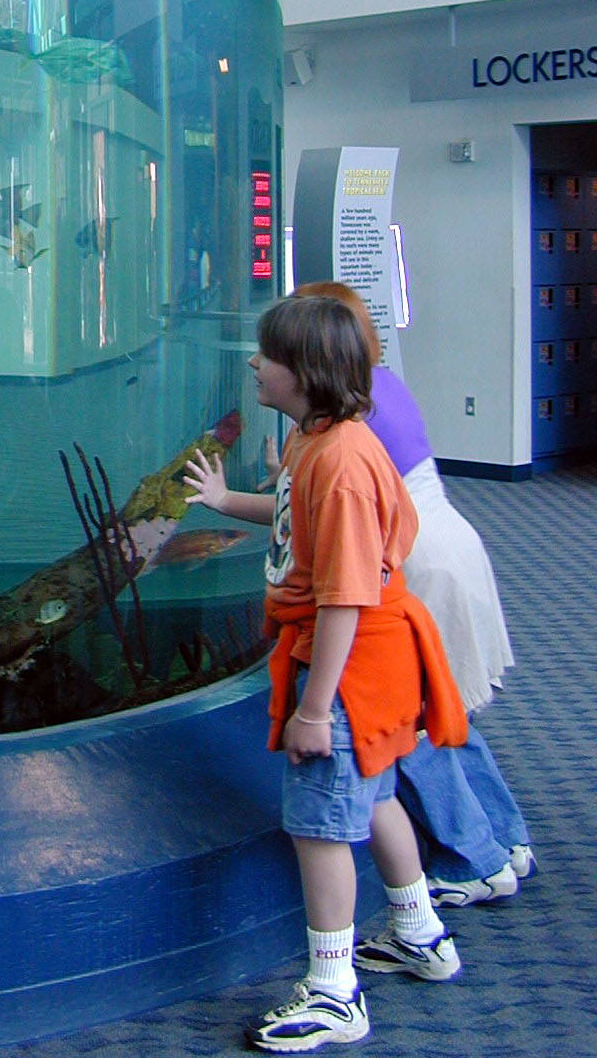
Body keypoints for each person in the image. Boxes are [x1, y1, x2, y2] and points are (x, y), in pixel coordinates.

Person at [185, 294, 467, 1054]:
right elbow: (289, 521)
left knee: (318, 827)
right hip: (367, 668)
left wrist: (314, 708)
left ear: (302, 373)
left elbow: (345, 595)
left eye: (266, 357)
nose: (253, 365)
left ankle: (336, 991)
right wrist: (222, 500)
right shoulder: (320, 442)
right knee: (376, 796)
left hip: (345, 670)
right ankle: (420, 933)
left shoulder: (338, 461)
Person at [292, 281, 534, 906]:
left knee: (414, 730)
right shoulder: (380, 384)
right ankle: (504, 839)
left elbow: (345, 520)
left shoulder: (348, 426)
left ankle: (471, 859)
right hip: (451, 544)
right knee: (447, 716)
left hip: (413, 565)